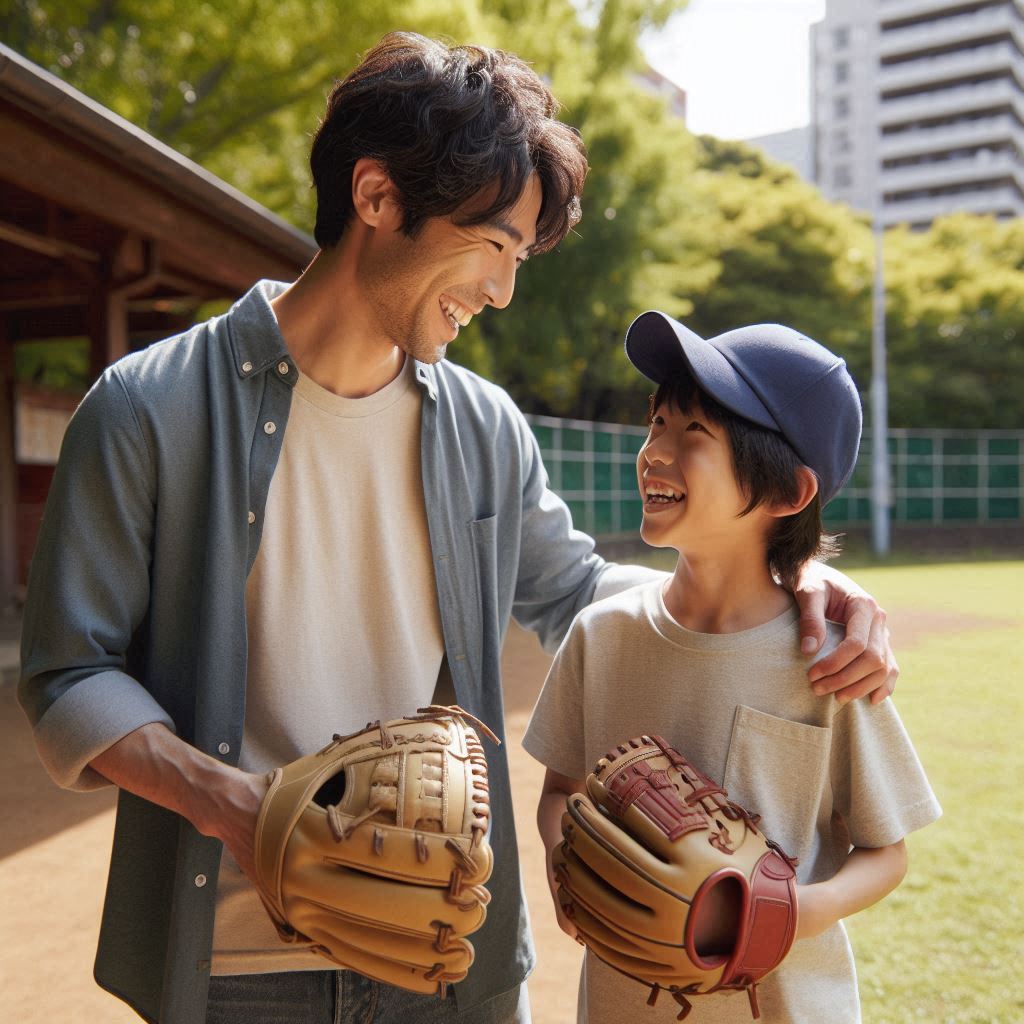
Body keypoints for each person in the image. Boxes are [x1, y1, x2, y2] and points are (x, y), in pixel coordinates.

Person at [19, 33, 896, 1024]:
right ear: (378, 197)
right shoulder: (145, 409)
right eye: (493, 246)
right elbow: (68, 672)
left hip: (449, 956)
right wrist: (235, 806)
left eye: (517, 255)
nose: (502, 288)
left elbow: (579, 594)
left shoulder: (485, 426)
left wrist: (783, 591)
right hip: (234, 970)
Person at [525, 312, 942, 1023]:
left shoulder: (832, 662)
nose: (656, 449)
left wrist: (797, 911)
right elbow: (561, 790)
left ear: (787, 495)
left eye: (696, 434)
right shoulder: (602, 635)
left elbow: (886, 850)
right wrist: (574, 865)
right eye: (658, 423)